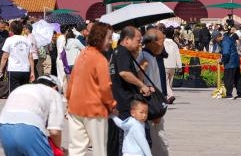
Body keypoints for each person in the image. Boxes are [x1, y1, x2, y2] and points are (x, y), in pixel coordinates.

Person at [65, 21, 116, 156]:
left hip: (75, 107)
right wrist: (112, 105)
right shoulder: (100, 59)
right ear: (100, 38)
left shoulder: (83, 53)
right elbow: (105, 88)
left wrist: (68, 99)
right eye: (109, 38)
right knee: (99, 149)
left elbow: (72, 80)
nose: (111, 42)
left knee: (76, 148)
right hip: (95, 109)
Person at [108, 26, 154, 156]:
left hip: (122, 102)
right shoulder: (122, 52)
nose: (140, 43)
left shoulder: (117, 52)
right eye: (138, 40)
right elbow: (124, 73)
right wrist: (142, 85)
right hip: (126, 103)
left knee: (127, 140)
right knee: (133, 139)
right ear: (127, 39)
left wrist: (142, 70)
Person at [0, 74, 64, 156]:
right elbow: (54, 131)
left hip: (4, 130)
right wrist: (58, 149)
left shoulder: (21, 89)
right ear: (55, 87)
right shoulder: (53, 93)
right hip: (29, 130)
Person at [138, 28, 168, 156]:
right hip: (151, 107)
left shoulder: (150, 56)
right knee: (158, 141)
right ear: (152, 42)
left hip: (153, 105)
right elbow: (147, 85)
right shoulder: (145, 58)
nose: (163, 44)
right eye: (162, 41)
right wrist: (154, 111)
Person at [0, 21, 35, 94]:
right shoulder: (27, 40)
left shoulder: (9, 40)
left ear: (11, 29)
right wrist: (32, 71)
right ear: (22, 29)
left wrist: (0, 70)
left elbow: (5, 57)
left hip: (13, 69)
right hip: (25, 70)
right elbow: (30, 57)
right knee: (23, 93)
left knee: (14, 94)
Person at [221, 27, 241, 99]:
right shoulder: (230, 40)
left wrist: (222, 61)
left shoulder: (225, 42)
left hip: (230, 63)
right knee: (237, 78)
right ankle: (240, 94)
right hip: (236, 61)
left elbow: (226, 53)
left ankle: (229, 94)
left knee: (228, 78)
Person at [161, 27, 181, 103]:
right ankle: (169, 97)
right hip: (173, 65)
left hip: (165, 64)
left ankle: (170, 95)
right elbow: (177, 55)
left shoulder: (163, 43)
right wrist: (179, 65)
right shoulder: (174, 44)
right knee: (170, 83)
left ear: (165, 34)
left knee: (165, 82)